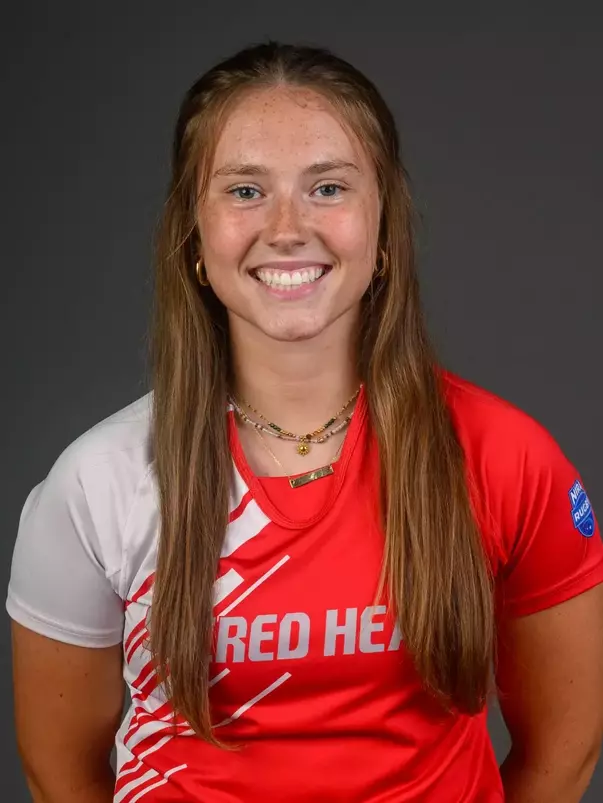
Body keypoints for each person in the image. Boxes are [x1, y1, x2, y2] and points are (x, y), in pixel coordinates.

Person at [7, 40, 603, 803]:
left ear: (382, 228)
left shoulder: (506, 457)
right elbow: (59, 775)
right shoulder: (98, 482)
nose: (287, 227)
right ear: (194, 236)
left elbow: (565, 748)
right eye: (245, 191)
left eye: (327, 187)